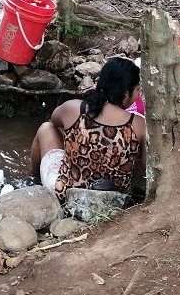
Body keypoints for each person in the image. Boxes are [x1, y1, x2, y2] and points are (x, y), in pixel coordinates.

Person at [30, 56, 147, 201]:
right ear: (126, 93)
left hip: (67, 196)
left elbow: (54, 120)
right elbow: (146, 166)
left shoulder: (74, 108)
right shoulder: (138, 125)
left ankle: (33, 181)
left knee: (46, 128)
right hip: (114, 201)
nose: (138, 94)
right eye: (137, 90)